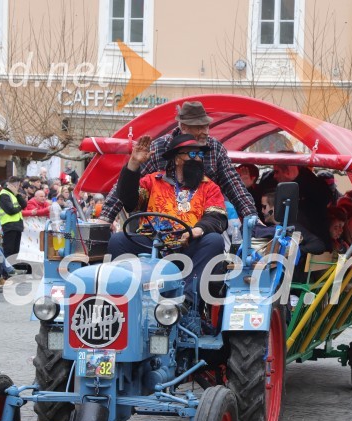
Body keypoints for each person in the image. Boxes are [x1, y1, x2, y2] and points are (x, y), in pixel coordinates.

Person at [108, 134, 227, 303]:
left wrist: (197, 230)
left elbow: (217, 216)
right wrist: (133, 164)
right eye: (192, 154)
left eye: (200, 155)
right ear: (177, 159)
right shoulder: (153, 181)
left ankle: (185, 301)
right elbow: (129, 200)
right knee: (118, 241)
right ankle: (127, 299)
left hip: (187, 247)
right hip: (151, 243)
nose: (199, 159)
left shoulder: (210, 187)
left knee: (214, 241)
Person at [99, 101, 256, 223]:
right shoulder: (158, 148)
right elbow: (125, 190)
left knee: (213, 241)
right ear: (183, 127)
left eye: (206, 126)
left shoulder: (214, 148)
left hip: (201, 223)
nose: (204, 132)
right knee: (120, 242)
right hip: (159, 223)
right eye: (198, 127)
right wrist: (105, 218)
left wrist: (252, 217)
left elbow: (234, 185)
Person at [0, 176, 28, 262]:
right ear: (13, 185)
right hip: (9, 225)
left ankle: (13, 269)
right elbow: (11, 210)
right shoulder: (4, 194)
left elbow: (24, 205)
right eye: (18, 185)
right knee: (9, 250)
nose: (18, 187)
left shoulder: (13, 194)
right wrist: (19, 207)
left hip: (17, 225)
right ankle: (6, 272)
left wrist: (18, 195)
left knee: (16, 251)